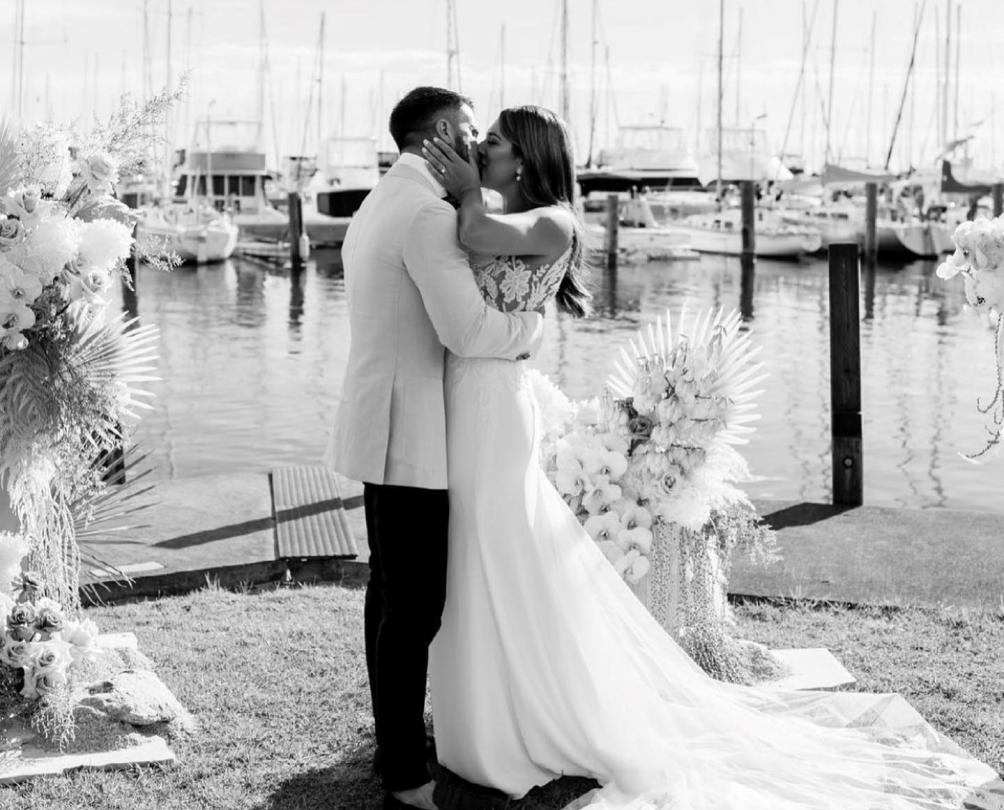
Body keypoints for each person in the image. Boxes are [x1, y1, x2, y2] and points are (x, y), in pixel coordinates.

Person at [420, 105, 1000, 809]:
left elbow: (476, 230)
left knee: (493, 546)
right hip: (468, 396)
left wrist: (459, 186)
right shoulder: (506, 209)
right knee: (480, 555)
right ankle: (491, 709)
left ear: (528, 159)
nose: (482, 148)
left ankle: (527, 720)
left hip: (492, 404)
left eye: (496, 142)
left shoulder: (555, 222)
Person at [329, 87, 546, 810]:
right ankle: (404, 772)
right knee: (414, 608)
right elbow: (470, 332)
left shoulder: (380, 199)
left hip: (379, 421)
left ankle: (393, 746)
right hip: (411, 431)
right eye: (473, 131)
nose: (480, 146)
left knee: (389, 594)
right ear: (446, 132)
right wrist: (533, 333)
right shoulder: (426, 213)